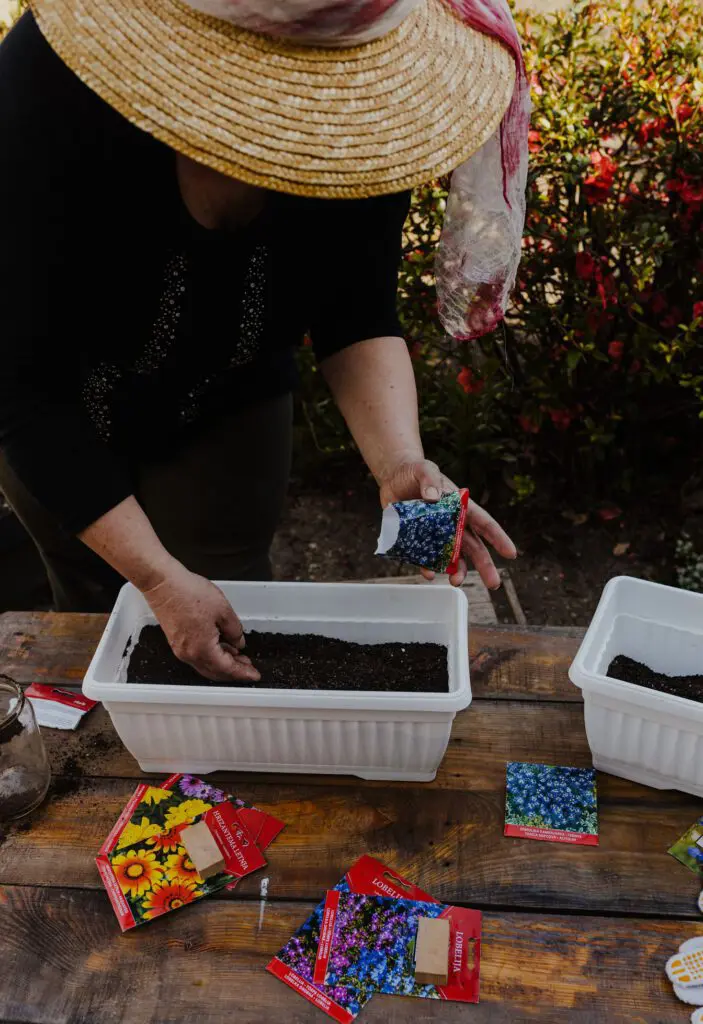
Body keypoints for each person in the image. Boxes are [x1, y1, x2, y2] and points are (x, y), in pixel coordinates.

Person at [0, 0, 529, 682]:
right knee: (95, 601)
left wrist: (399, 462)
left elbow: (355, 309)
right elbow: (22, 389)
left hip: (235, 385)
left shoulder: (371, 122)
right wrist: (157, 580)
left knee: (228, 597)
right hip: (55, 398)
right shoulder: (41, 95)